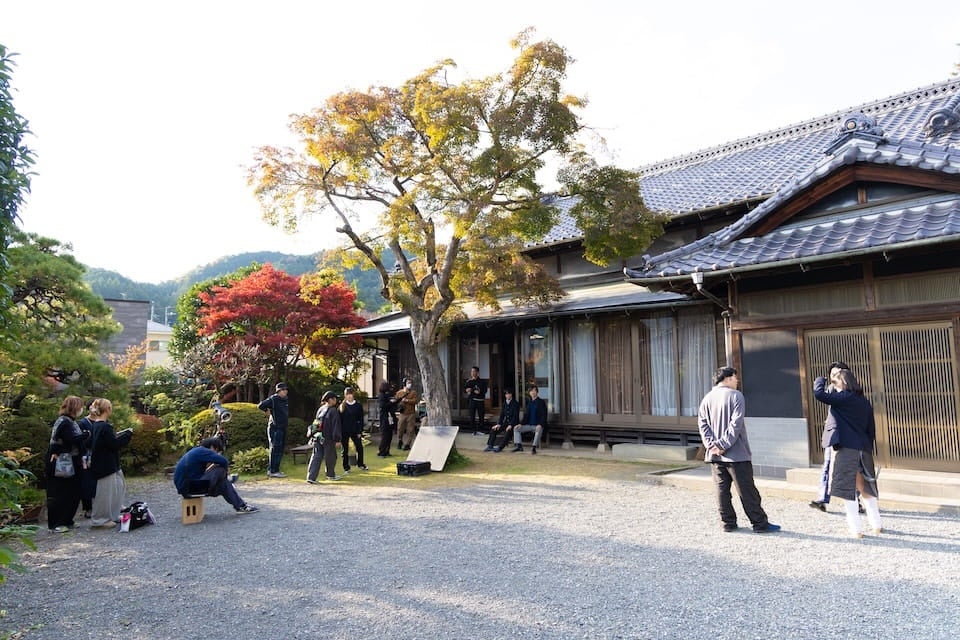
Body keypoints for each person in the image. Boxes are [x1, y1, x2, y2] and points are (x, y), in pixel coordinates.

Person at [697, 366, 781, 533]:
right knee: (747, 490)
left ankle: (727, 523)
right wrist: (722, 444)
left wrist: (712, 446)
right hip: (736, 454)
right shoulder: (736, 396)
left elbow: (702, 425)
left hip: (715, 455)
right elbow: (735, 425)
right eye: (735, 378)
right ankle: (759, 523)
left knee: (721, 490)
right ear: (727, 379)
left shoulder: (707, 398)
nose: (737, 381)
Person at [813, 368, 883, 538]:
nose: (834, 385)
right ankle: (877, 525)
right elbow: (871, 429)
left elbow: (819, 395)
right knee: (866, 488)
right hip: (863, 448)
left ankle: (856, 529)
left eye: (836, 382)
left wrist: (820, 380)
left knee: (848, 489)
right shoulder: (864, 401)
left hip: (847, 449)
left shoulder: (843, 398)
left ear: (843, 383)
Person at [809, 361, 864, 514]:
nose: (834, 376)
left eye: (838, 373)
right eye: (832, 373)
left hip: (850, 437)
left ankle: (856, 500)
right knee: (827, 466)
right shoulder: (832, 389)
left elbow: (819, 393)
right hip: (834, 435)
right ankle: (822, 498)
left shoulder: (853, 391)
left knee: (852, 468)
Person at [173, 437, 258, 513]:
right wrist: (223, 471)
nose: (216, 454)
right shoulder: (203, 451)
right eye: (217, 451)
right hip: (191, 488)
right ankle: (229, 480)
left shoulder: (196, 451)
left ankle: (241, 506)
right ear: (213, 447)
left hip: (186, 488)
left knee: (224, 485)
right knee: (219, 469)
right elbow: (223, 461)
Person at [87, 398, 133, 529]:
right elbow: (114, 444)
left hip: (108, 463)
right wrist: (127, 435)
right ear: (107, 409)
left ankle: (112, 515)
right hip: (105, 464)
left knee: (118, 488)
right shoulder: (104, 426)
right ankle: (100, 520)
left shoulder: (97, 425)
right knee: (105, 493)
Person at [45, 396, 87, 533]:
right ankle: (57, 523)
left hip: (73, 461)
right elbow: (69, 439)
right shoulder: (64, 422)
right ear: (75, 408)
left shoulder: (70, 422)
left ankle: (68, 520)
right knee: (60, 493)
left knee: (73, 493)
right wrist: (85, 435)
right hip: (62, 462)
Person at [307, 391, 343, 482]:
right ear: (330, 400)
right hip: (328, 438)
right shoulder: (333, 411)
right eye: (334, 398)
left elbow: (315, 422)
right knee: (331, 457)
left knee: (316, 456)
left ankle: (311, 477)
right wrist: (337, 439)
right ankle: (330, 475)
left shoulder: (320, 409)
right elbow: (335, 426)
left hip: (318, 436)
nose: (336, 400)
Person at [258, 382, 290, 478]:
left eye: (286, 390)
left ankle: (276, 469)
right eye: (283, 390)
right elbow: (261, 405)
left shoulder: (285, 400)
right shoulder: (273, 399)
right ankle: (272, 470)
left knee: (280, 449)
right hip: (275, 428)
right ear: (279, 391)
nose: (285, 391)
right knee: (275, 448)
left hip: (283, 427)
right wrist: (267, 411)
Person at [511, 385, 547, 454]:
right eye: (531, 391)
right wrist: (520, 424)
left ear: (537, 392)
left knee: (539, 429)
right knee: (516, 428)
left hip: (538, 425)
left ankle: (534, 447)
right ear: (529, 393)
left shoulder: (541, 402)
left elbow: (544, 415)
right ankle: (519, 446)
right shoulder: (529, 403)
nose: (533, 392)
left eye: (534, 391)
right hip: (529, 425)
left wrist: (540, 424)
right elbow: (526, 416)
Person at [340, 387, 367, 473]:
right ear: (345, 395)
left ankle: (361, 464)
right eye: (347, 394)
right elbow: (339, 420)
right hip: (344, 431)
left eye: (350, 394)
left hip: (355, 430)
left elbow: (361, 419)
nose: (349, 396)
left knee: (359, 447)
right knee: (345, 450)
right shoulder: (342, 406)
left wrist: (360, 431)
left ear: (353, 395)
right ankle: (346, 467)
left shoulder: (358, 406)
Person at [394, 378, 419, 451]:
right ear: (404, 384)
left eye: (410, 383)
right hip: (402, 413)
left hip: (411, 413)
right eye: (408, 383)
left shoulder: (413, 392)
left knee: (410, 429)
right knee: (400, 428)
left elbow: (415, 401)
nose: (410, 384)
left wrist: (407, 400)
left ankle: (408, 443)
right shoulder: (399, 392)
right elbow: (396, 400)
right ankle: (400, 440)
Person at [376, 380, 397, 457]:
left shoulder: (388, 395)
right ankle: (381, 451)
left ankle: (387, 451)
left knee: (389, 435)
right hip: (384, 418)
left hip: (390, 417)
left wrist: (395, 401)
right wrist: (391, 402)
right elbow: (383, 406)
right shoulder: (381, 396)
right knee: (385, 436)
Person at [464, 366, 487, 435]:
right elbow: (465, 389)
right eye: (471, 371)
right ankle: (473, 430)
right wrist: (467, 390)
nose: (472, 373)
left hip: (480, 400)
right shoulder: (469, 381)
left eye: (474, 371)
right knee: (472, 416)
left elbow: (485, 390)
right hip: (472, 401)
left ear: (477, 372)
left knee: (481, 416)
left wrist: (479, 392)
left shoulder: (482, 381)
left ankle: (481, 430)